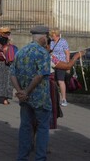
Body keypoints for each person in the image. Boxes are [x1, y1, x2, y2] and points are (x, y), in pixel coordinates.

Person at [10, 25, 53, 161]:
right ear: (42, 38)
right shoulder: (42, 53)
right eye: (47, 38)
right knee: (42, 128)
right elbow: (40, 75)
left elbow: (12, 73)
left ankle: (22, 157)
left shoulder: (21, 51)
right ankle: (40, 158)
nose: (47, 40)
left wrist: (20, 92)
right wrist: (27, 91)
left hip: (25, 99)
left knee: (25, 127)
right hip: (40, 98)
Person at [49, 29, 70, 106]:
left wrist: (67, 64)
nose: (51, 36)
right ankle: (53, 98)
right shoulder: (51, 42)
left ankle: (64, 99)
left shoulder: (63, 41)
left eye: (53, 35)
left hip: (61, 63)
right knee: (52, 81)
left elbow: (67, 53)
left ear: (56, 34)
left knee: (60, 81)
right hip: (52, 63)